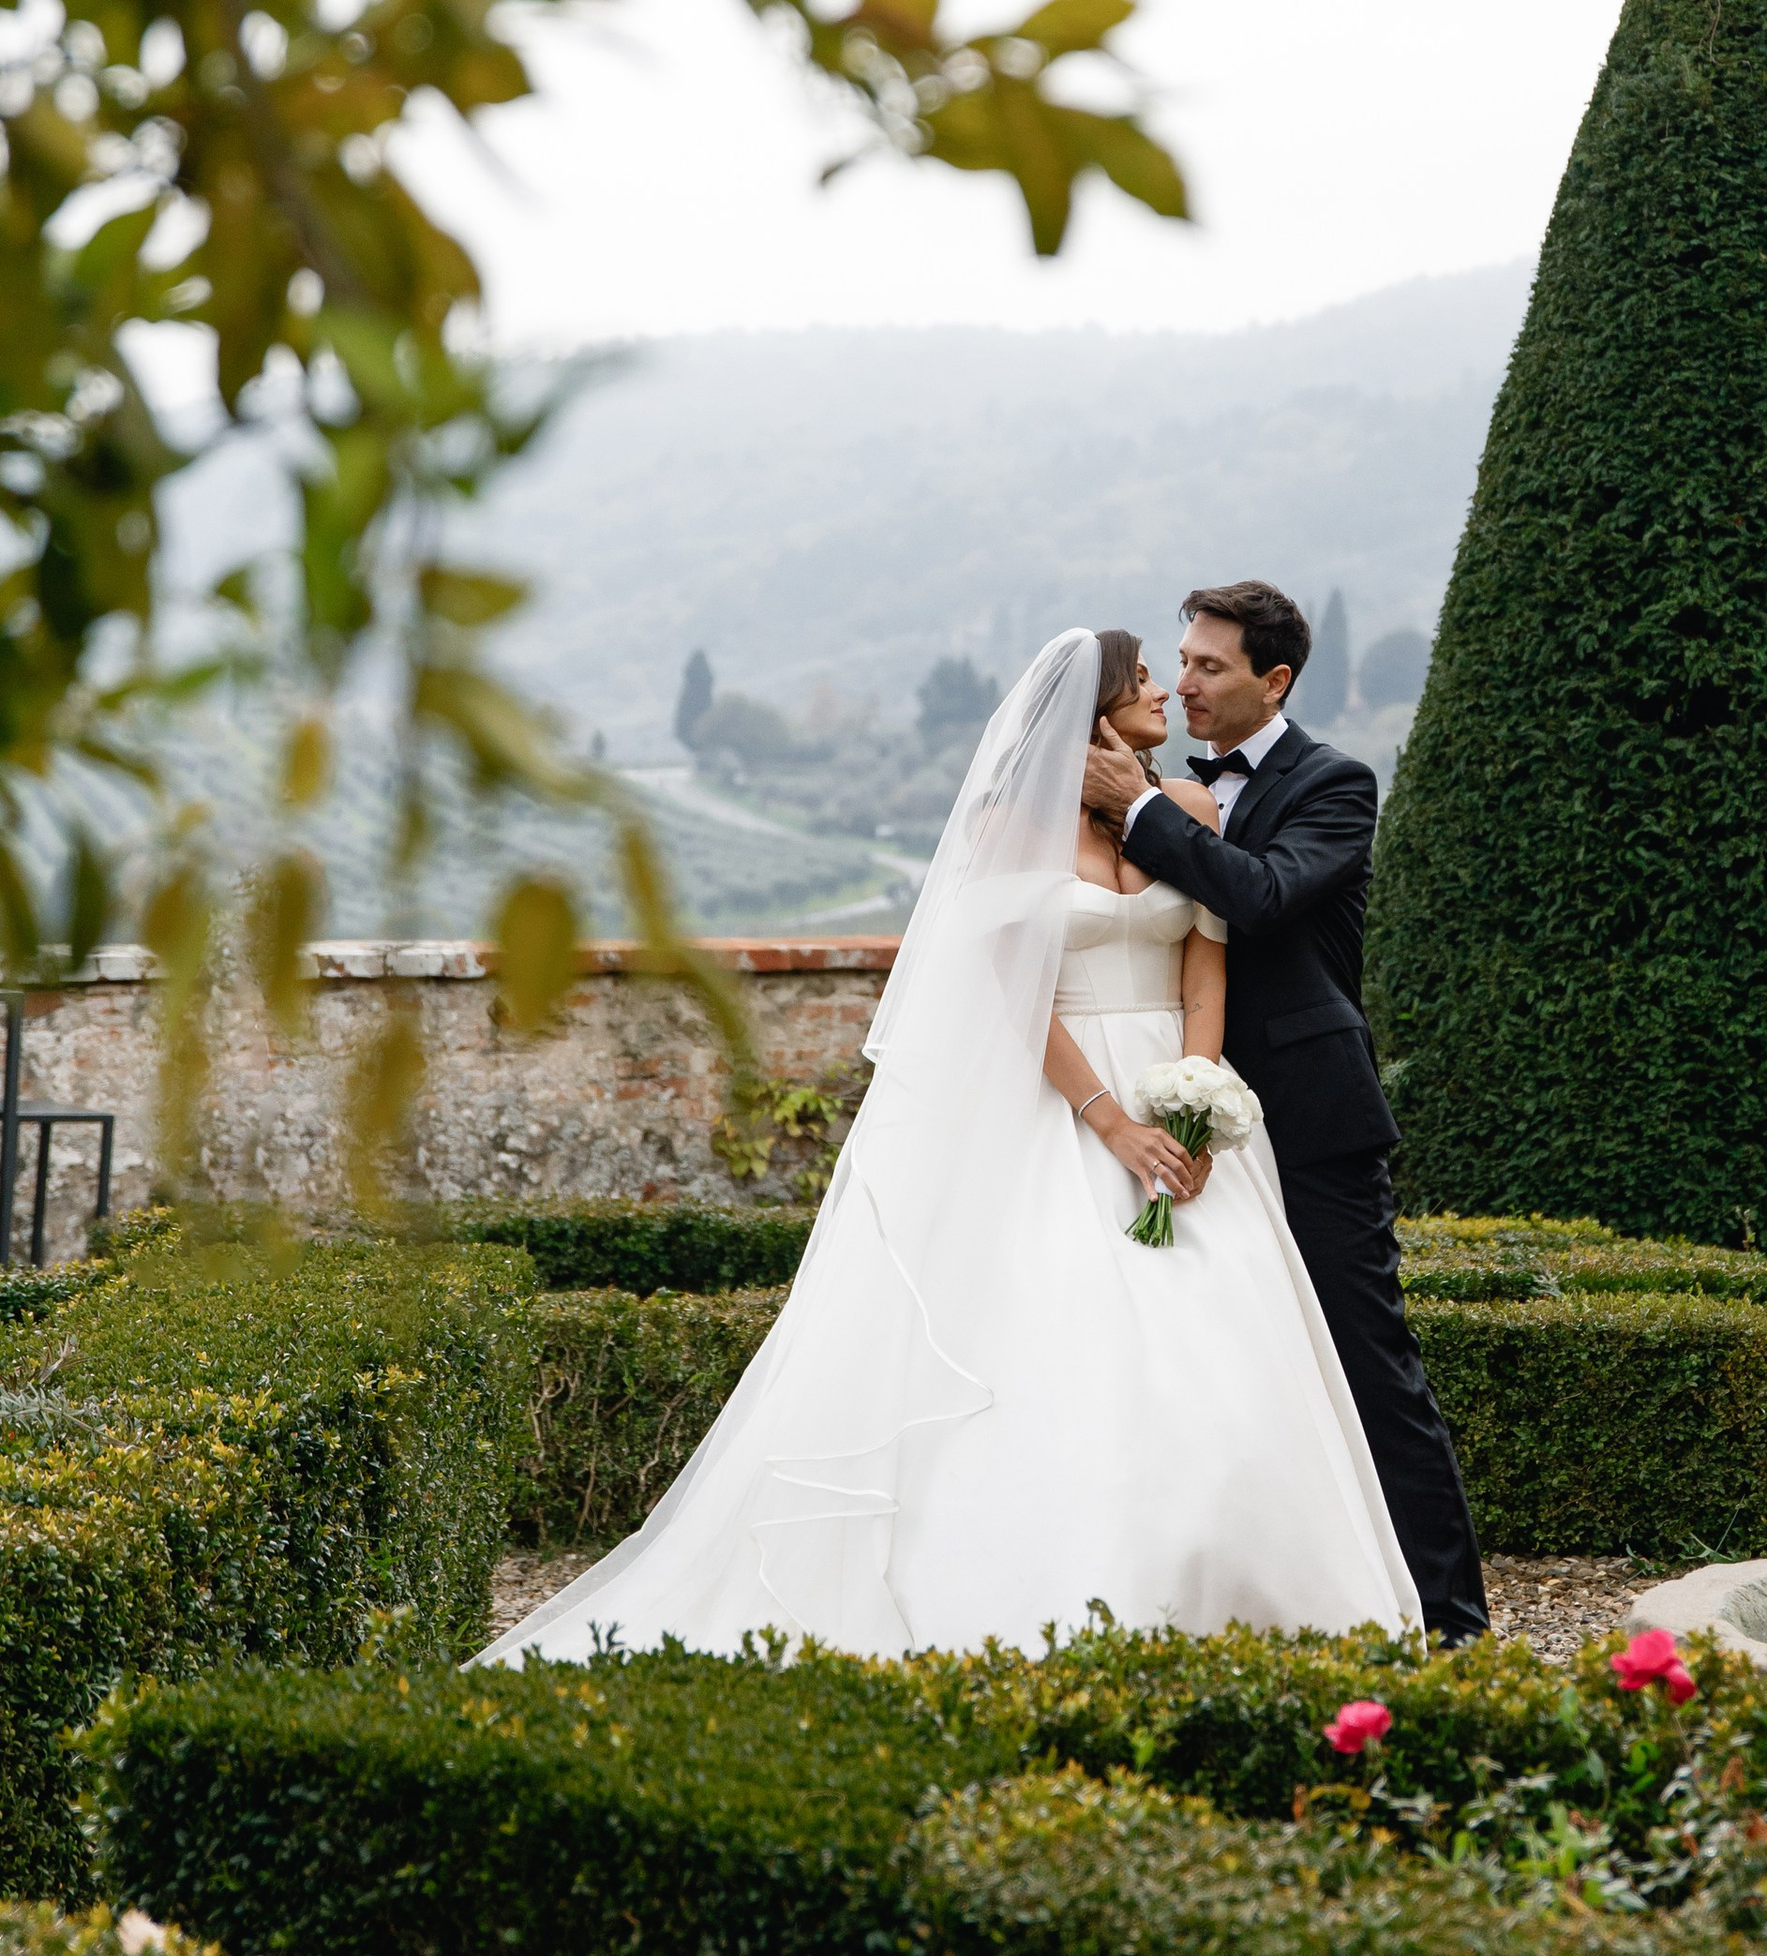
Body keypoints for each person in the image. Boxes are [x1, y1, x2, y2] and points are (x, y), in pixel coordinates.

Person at [484, 628, 1419, 1664]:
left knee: (1228, 1356)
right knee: (1058, 1349)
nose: (1164, 689)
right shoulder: (1004, 826)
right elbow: (1011, 998)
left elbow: (1207, 973)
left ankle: (1252, 1595)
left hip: (1177, 1089)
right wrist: (1111, 1121)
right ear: (1098, 706)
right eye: (1146, 675)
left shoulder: (1188, 812)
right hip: (1063, 1108)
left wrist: (1192, 1108)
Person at [1082, 577, 1489, 1646]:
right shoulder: (1160, 788)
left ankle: (1450, 1623)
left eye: (1210, 667)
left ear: (1275, 680)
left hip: (1306, 1122)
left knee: (1371, 1370)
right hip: (1179, 1131)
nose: (1186, 682)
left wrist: (1136, 810)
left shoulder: (1335, 785)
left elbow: (1256, 897)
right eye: (1181, 662)